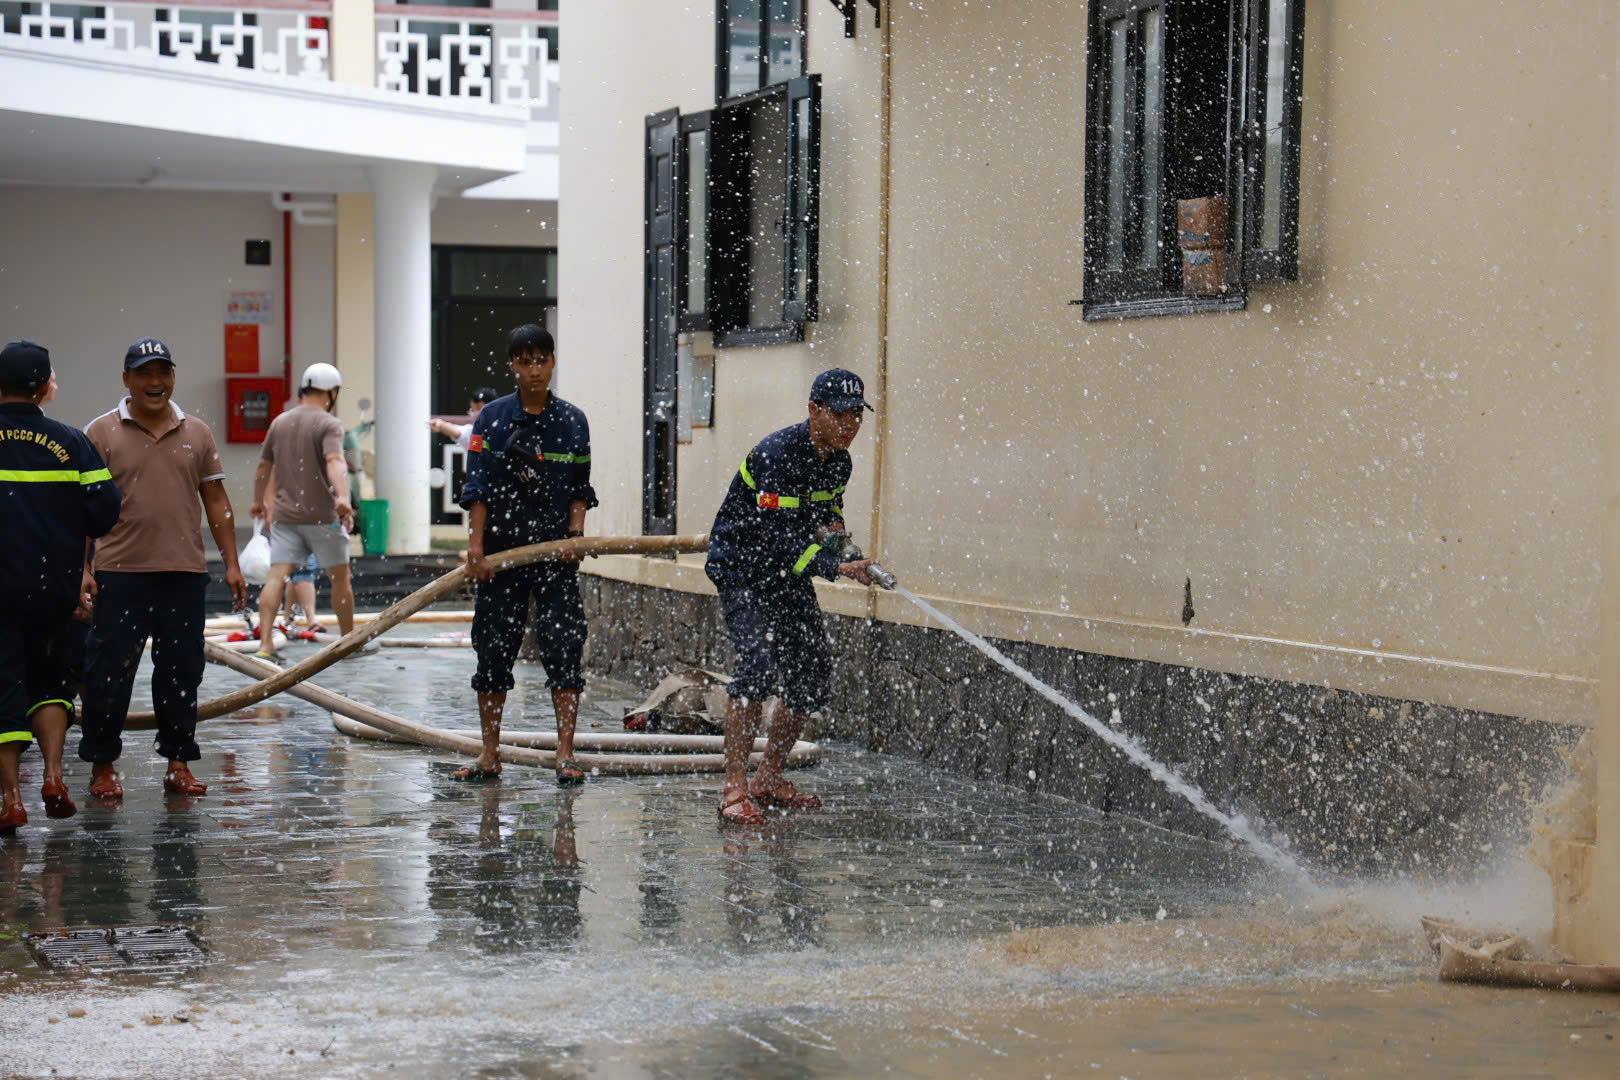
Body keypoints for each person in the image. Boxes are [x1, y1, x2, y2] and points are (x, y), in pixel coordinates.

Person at [705, 368, 878, 825]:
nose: (850, 426)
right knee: (757, 664)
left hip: (787, 571)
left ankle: (769, 777)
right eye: (841, 416)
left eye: (858, 416)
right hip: (744, 568)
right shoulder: (777, 454)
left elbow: (826, 519)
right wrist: (830, 565)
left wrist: (848, 552)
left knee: (811, 667)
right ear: (814, 410)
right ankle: (734, 789)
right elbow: (773, 540)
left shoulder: (839, 462)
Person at [78, 337, 249, 800]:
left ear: (173, 376)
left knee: (181, 671)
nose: (156, 383)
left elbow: (216, 500)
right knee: (109, 672)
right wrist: (84, 568)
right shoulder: (100, 433)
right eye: (145, 373)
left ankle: (177, 762)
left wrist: (232, 563)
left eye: (163, 372)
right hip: (120, 572)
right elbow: (82, 510)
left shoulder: (197, 433)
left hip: (184, 573)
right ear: (126, 379)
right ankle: (102, 765)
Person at [457, 325, 596, 785]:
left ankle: (565, 753)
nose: (534, 370)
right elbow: (476, 488)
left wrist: (575, 536)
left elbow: (579, 487)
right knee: (493, 651)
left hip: (554, 557)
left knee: (564, 648)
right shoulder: (492, 420)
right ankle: (490, 753)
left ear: (553, 362)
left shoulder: (573, 421)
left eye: (541, 360)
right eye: (524, 361)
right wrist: (476, 548)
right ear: (512, 366)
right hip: (501, 557)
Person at [0, 341, 121, 829]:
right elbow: (105, 510)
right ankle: (53, 775)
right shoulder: (71, 442)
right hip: (54, 588)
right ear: (45, 387)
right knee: (51, 682)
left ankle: (10, 798)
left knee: (3, 687)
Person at [250, 363, 372, 661]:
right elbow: (335, 461)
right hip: (321, 517)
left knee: (276, 576)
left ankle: (265, 645)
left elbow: (263, 467)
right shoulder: (329, 424)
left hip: (284, 518)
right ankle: (347, 643)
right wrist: (343, 496)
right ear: (332, 391)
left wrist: (258, 502)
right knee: (339, 578)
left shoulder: (279, 422)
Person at [429, 386, 501, 449]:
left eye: (477, 409)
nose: (474, 414)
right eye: (472, 410)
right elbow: (457, 432)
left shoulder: (506, 428)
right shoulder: (474, 431)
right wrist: (440, 425)